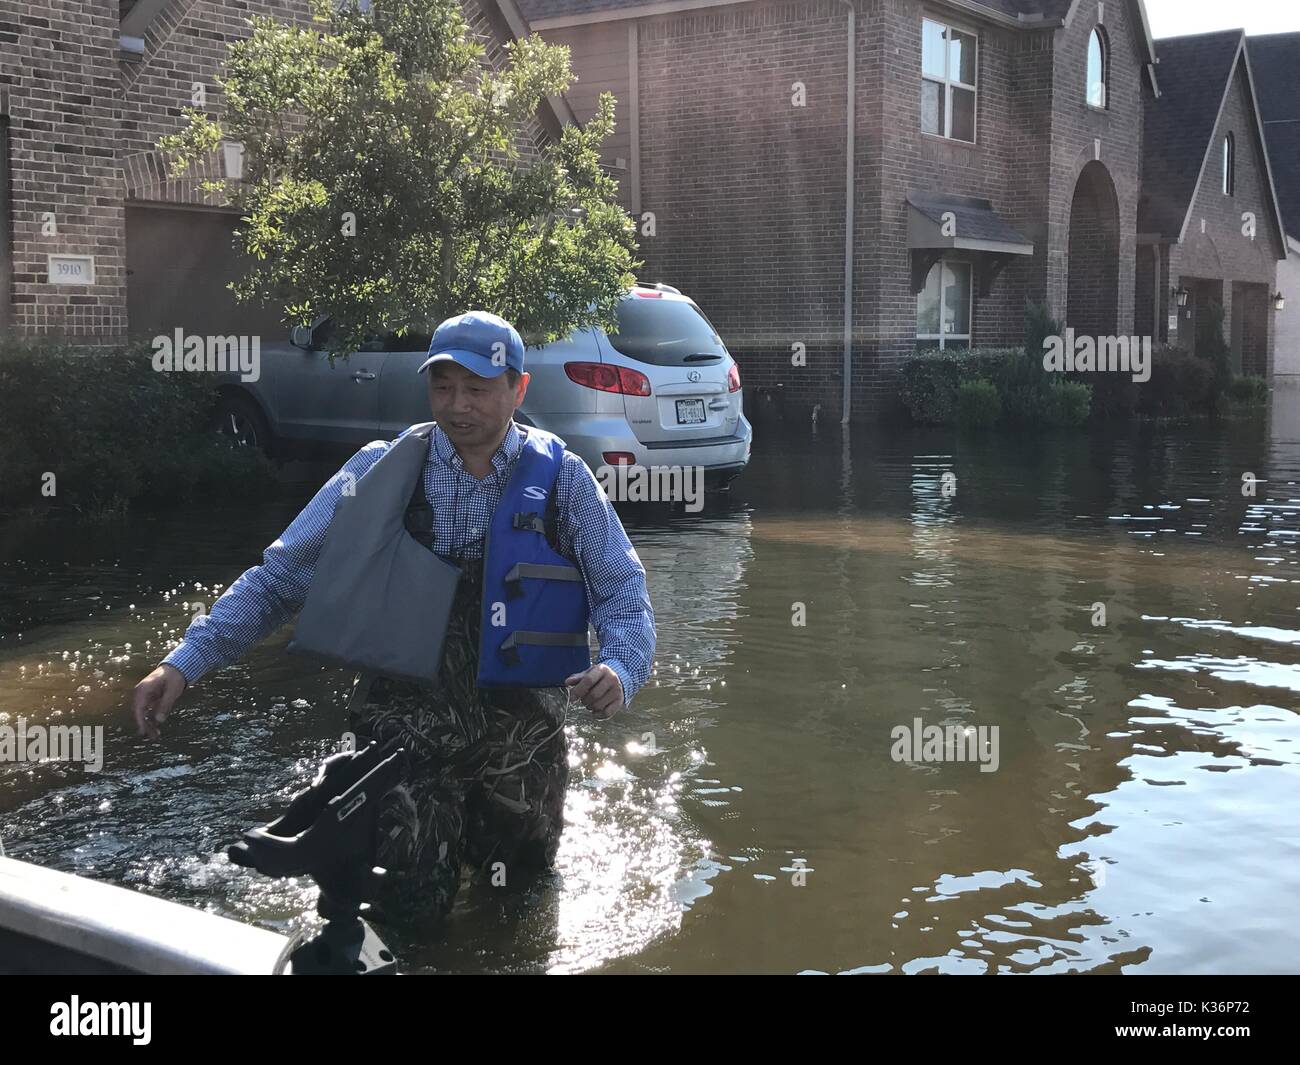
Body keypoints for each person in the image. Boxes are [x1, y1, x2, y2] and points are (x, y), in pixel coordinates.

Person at [130, 310, 655, 929]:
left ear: (518, 389)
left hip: (521, 741)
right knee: (403, 901)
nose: (457, 405)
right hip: (407, 728)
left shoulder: (564, 480)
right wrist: (184, 664)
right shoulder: (379, 472)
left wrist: (620, 668)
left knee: (515, 906)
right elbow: (279, 579)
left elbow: (623, 594)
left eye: (478, 388)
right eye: (442, 386)